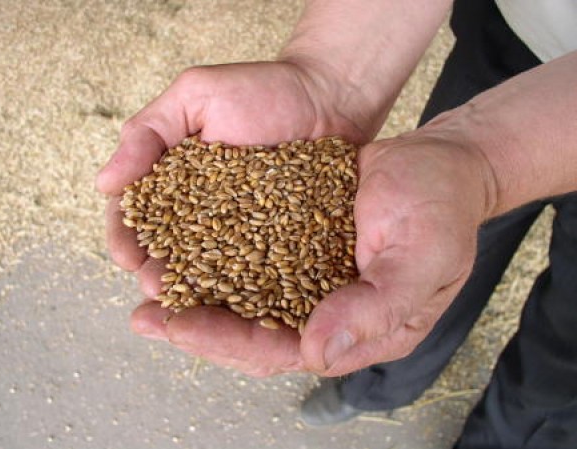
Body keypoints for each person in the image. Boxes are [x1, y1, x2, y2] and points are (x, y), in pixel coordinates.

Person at [96, 0, 577, 447]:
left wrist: (483, 167)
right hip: (515, 28)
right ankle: (375, 388)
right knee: (421, 256)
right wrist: (329, 74)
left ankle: (509, 434)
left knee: (563, 343)